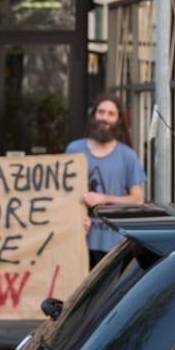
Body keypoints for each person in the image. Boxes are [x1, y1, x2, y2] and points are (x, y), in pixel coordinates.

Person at [66, 94, 147, 264]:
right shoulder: (74, 150)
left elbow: (137, 199)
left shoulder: (127, 156)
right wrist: (73, 216)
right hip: (77, 239)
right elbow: (63, 194)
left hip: (114, 243)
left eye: (111, 114)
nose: (105, 118)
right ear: (94, 115)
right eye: (101, 112)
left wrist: (102, 198)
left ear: (118, 120)